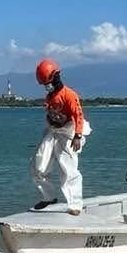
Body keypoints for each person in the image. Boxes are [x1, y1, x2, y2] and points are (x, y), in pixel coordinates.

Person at [30, 58, 90, 216]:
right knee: (38, 165)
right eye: (43, 84)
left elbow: (78, 115)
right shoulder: (50, 96)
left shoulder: (69, 95)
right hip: (53, 131)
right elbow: (51, 114)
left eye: (47, 83)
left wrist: (77, 136)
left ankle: (75, 204)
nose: (46, 86)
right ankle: (48, 197)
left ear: (56, 77)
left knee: (68, 168)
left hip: (69, 132)